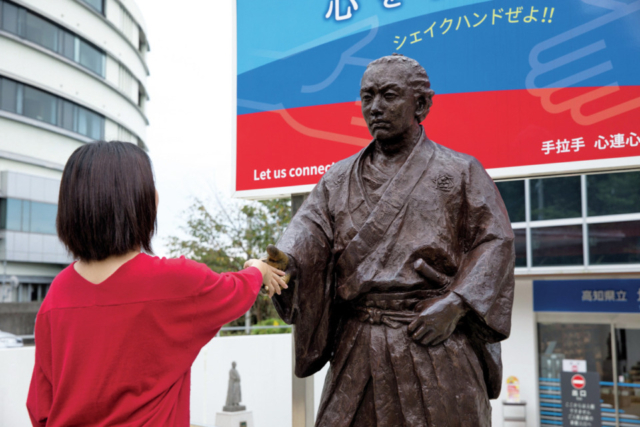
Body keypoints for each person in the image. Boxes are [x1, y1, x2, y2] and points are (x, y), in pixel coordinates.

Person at [265, 54, 515, 426]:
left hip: (432, 337)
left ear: (422, 104)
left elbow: (496, 241)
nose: (375, 108)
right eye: (367, 97)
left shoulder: (460, 171)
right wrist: (287, 260)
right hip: (358, 345)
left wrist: (456, 304)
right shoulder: (338, 178)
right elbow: (308, 232)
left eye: (389, 95)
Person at [26, 142, 286, 427]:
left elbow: (40, 406)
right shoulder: (175, 281)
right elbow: (233, 292)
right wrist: (258, 269)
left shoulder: (58, 293)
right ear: (141, 202)